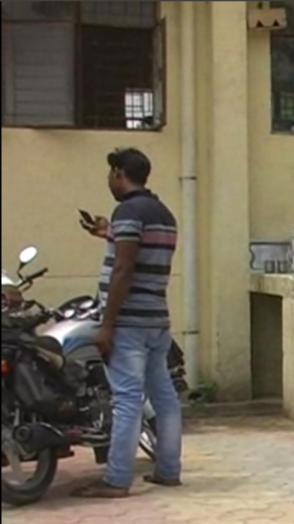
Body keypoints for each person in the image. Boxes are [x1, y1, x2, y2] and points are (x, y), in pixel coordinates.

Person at [72, 148, 182, 498]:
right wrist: (107, 231)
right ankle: (168, 470)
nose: (109, 180)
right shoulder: (163, 213)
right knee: (163, 397)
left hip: (129, 322)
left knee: (127, 399)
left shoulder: (129, 211)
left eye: (111, 174)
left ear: (119, 173)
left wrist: (107, 325)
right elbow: (139, 249)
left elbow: (124, 268)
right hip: (156, 320)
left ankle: (117, 479)